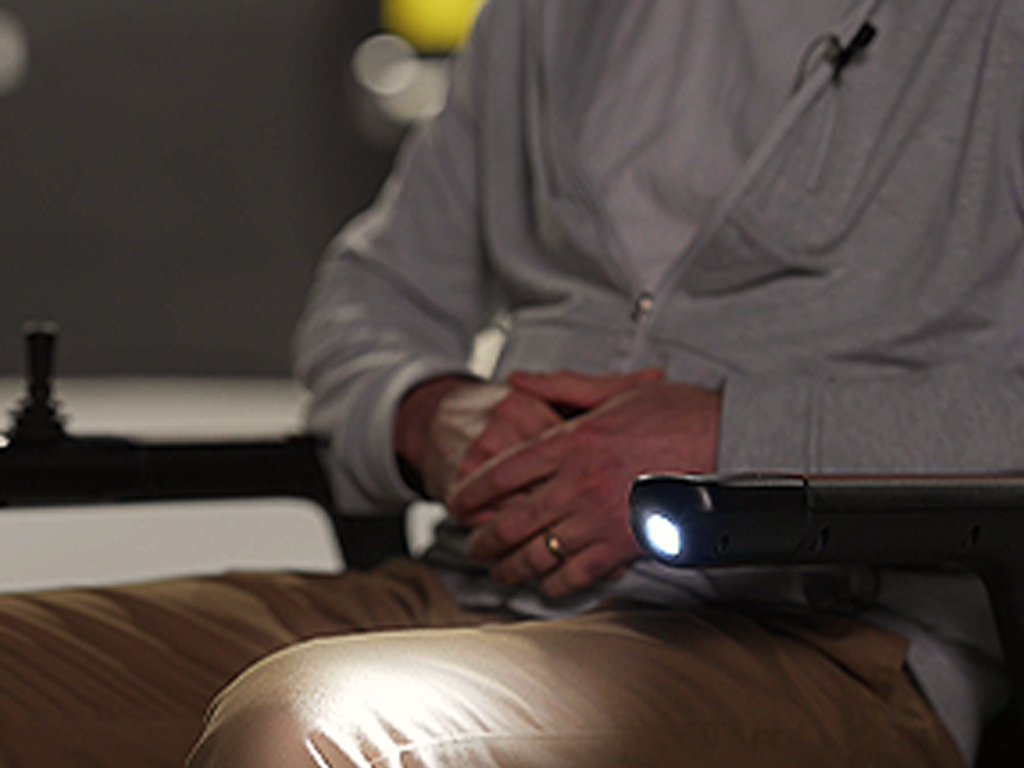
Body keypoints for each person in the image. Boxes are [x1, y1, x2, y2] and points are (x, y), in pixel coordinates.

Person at [0, 0, 1019, 765]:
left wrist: (735, 440)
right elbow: (374, 293)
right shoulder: (547, 14)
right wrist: (426, 410)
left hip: (825, 638)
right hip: (471, 589)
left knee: (318, 732)